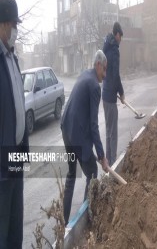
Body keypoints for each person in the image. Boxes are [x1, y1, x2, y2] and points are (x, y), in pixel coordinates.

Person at [61, 50, 109, 225]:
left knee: (71, 175)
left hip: (66, 130)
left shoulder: (85, 75)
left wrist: (94, 151)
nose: (105, 75)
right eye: (104, 70)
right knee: (93, 173)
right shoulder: (95, 86)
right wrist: (102, 156)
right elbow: (93, 125)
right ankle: (86, 217)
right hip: (76, 135)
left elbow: (84, 119)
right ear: (98, 65)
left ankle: (64, 222)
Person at [0, 0, 29, 248]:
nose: (15, 30)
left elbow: (19, 103)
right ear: (1, 24)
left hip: (16, 160)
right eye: (12, 24)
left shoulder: (12, 58)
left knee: (15, 231)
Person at [102, 22, 125, 166]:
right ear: (117, 35)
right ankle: (113, 164)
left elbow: (109, 74)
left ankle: (108, 163)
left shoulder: (106, 48)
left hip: (105, 94)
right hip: (110, 97)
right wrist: (121, 93)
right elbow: (115, 75)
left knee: (108, 130)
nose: (120, 40)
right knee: (113, 133)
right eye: (120, 37)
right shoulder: (114, 50)